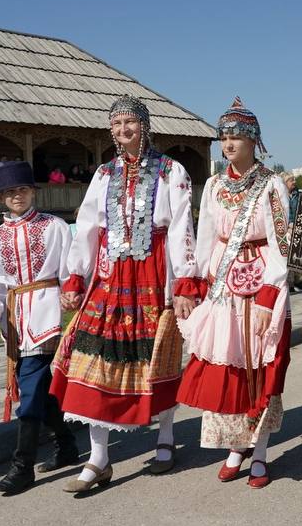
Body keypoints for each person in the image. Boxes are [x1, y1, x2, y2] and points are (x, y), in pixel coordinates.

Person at [51, 96, 197, 492]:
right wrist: (75, 276)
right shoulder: (103, 174)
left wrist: (185, 281)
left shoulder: (171, 171)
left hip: (154, 272)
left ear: (144, 126)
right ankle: (99, 459)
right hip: (111, 276)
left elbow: (183, 226)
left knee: (157, 354)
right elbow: (86, 227)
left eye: (129, 123)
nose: (121, 130)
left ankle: (165, 437)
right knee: (91, 357)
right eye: (115, 124)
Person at [177, 98, 291, 488]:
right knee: (228, 368)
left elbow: (282, 244)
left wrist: (269, 295)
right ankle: (234, 446)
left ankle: (258, 451)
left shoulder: (271, 184)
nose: (228, 144)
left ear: (254, 141)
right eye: (223, 137)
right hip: (225, 287)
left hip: (262, 282)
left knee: (260, 367)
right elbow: (205, 237)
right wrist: (199, 284)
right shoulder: (213, 184)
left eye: (236, 137)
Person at [0, 161, 80, 494]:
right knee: (41, 392)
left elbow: (70, 269)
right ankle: (67, 445)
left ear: (33, 191)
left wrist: (70, 298)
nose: (17, 195)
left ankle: (22, 466)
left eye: (23, 189)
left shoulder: (54, 226)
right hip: (16, 324)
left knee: (29, 393)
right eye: (10, 191)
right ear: (0, 197)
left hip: (48, 318)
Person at [283, 173, 302, 292]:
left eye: (294, 179)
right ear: (285, 183)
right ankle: (290, 283)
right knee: (289, 255)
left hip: (298, 226)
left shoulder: (299, 194)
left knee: (299, 254)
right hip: (287, 228)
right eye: (291, 180)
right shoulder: (281, 195)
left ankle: (298, 280)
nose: (294, 182)